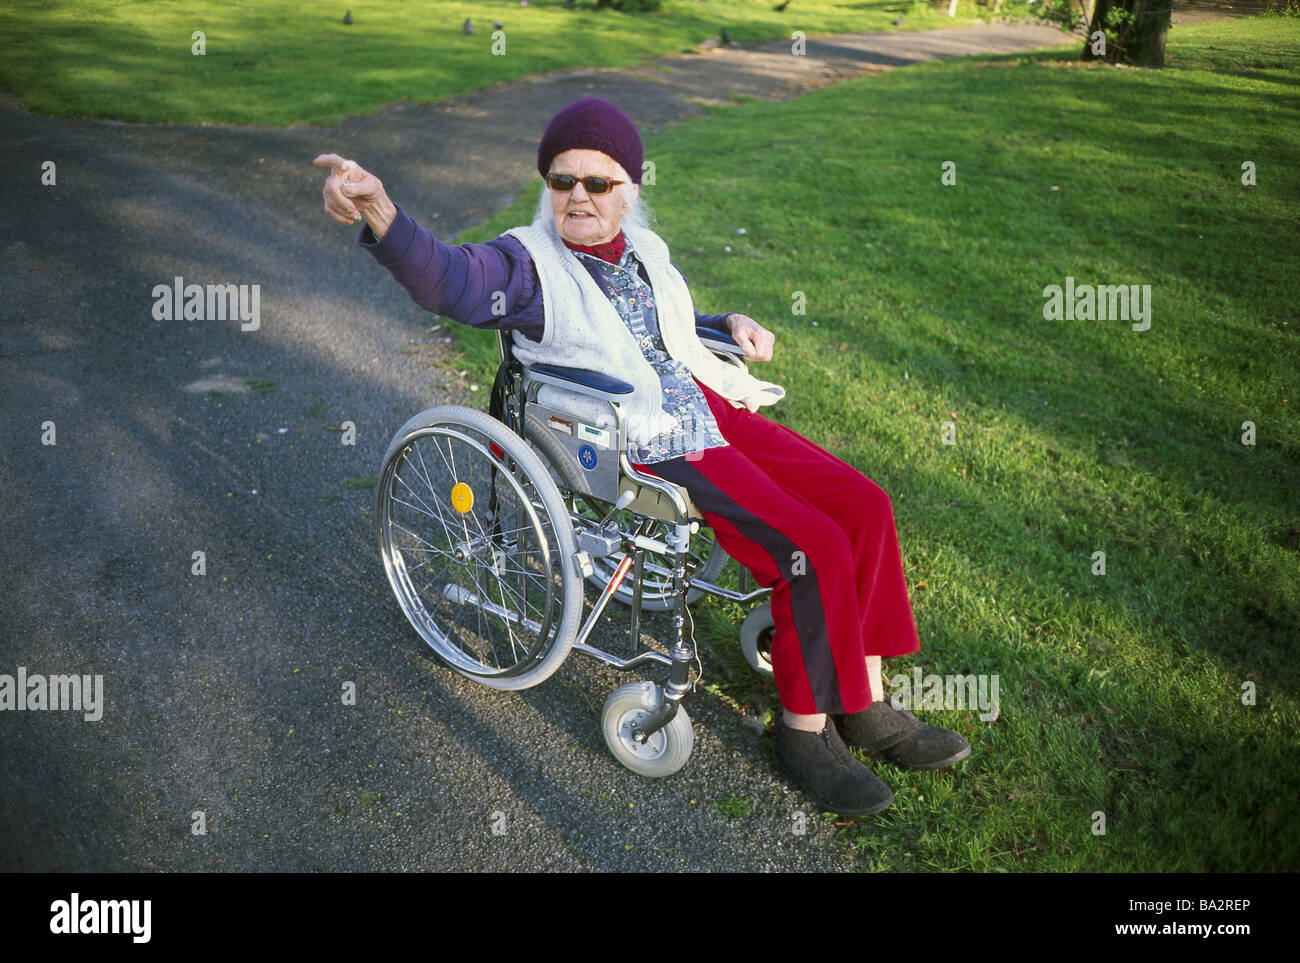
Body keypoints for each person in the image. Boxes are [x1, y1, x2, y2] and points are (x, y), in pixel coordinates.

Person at [314, 95, 970, 816]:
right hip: (640, 432)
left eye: (599, 183)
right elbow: (449, 279)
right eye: (563, 181)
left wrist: (727, 323)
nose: (579, 197)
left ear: (629, 189)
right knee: (809, 544)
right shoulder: (527, 266)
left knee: (864, 505)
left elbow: (662, 324)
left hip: (704, 402)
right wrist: (381, 210)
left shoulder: (641, 250)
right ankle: (803, 734)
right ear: (548, 187)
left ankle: (867, 701)